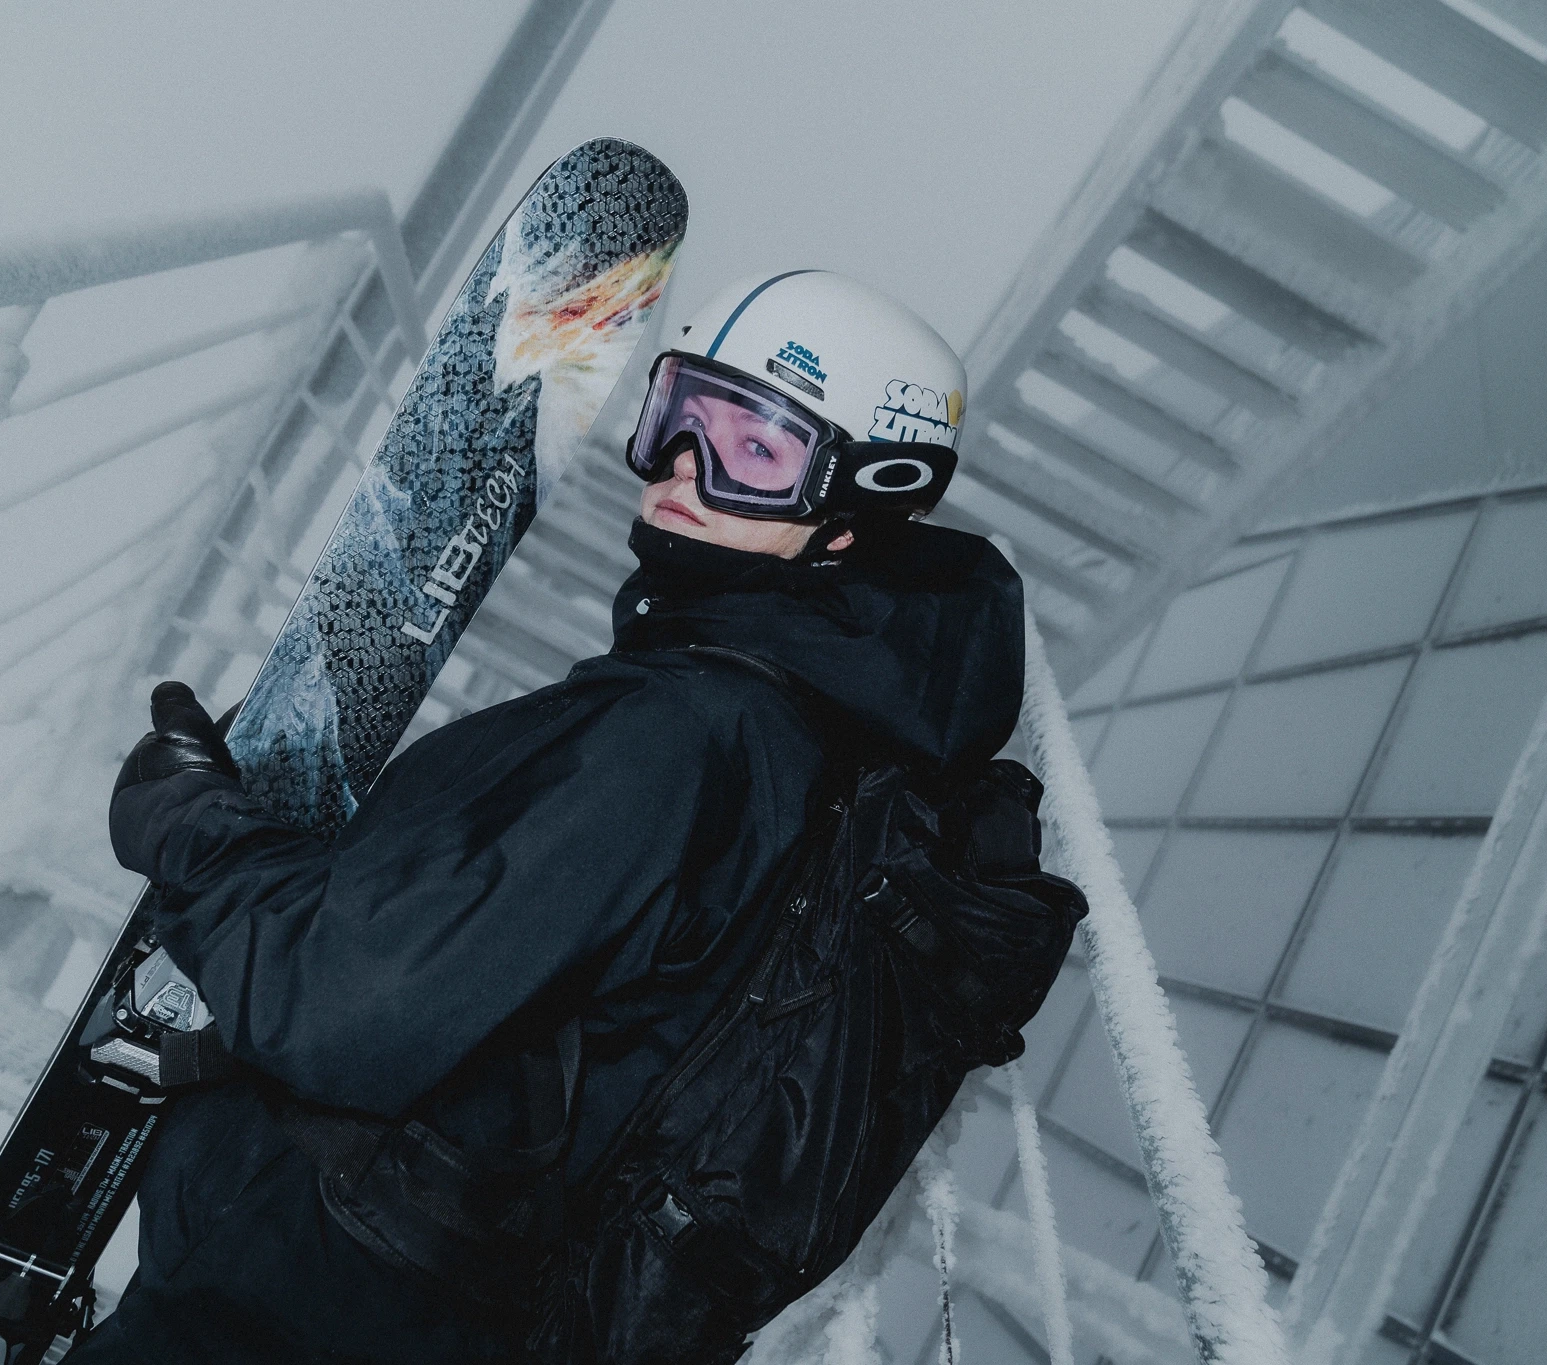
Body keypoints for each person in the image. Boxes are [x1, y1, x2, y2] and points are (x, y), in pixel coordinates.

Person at [69, 270, 1028, 1364]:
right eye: (679, 419)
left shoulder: (683, 732)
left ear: (852, 514)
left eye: (754, 451)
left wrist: (188, 826)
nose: (683, 472)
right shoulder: (836, 761)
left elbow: (348, 1007)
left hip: (307, 1315)